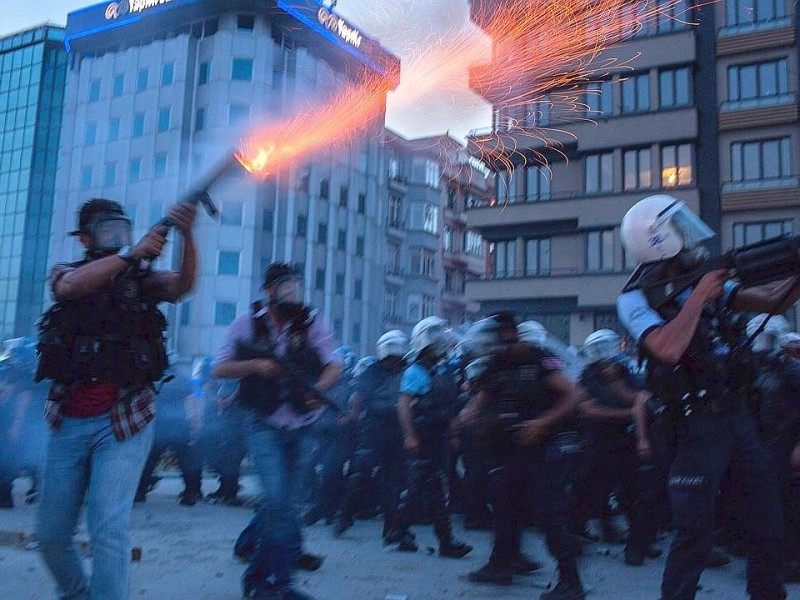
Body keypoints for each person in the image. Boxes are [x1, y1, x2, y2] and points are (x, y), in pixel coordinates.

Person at [616, 194, 800, 600]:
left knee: (766, 523)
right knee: (694, 534)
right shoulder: (635, 298)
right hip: (694, 424)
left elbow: (774, 302)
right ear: (660, 239)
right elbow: (666, 348)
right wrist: (698, 297)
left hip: (736, 416)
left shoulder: (701, 279)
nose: (690, 236)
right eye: (678, 228)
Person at [35, 198, 197, 600]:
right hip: (68, 417)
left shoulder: (141, 279)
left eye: (123, 230)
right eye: (108, 231)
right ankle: (77, 594)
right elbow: (69, 288)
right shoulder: (67, 272)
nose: (118, 238)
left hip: (124, 418)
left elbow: (181, 286)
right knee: (51, 534)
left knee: (108, 525)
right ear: (84, 238)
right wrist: (130, 253)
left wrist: (189, 234)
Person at [213, 263, 341, 600]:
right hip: (263, 424)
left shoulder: (311, 323)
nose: (292, 293)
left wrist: (319, 390)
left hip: (301, 426)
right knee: (277, 500)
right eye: (285, 287)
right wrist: (256, 365)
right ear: (268, 290)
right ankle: (270, 583)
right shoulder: (247, 324)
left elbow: (334, 362)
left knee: (286, 506)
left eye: (296, 286)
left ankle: (272, 582)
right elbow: (220, 367)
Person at [460, 314, 583, 599]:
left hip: (541, 449)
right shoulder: (494, 365)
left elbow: (573, 395)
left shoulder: (537, 358)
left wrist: (544, 423)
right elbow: (481, 400)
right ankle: (501, 564)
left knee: (548, 515)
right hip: (508, 449)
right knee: (504, 508)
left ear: (508, 334)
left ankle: (571, 581)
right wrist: (467, 416)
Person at [389, 316, 472, 559]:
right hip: (424, 436)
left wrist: (453, 433)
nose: (441, 342)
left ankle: (441, 540)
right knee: (420, 487)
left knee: (435, 488)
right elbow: (403, 405)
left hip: (440, 435)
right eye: (435, 337)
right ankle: (402, 531)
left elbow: (451, 405)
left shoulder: (444, 369)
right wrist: (409, 436)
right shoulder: (416, 371)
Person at [333, 331, 409, 541]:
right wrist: (354, 417)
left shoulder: (404, 369)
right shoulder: (374, 369)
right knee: (362, 473)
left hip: (395, 428)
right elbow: (358, 397)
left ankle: (391, 526)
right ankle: (344, 516)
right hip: (374, 427)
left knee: (391, 479)